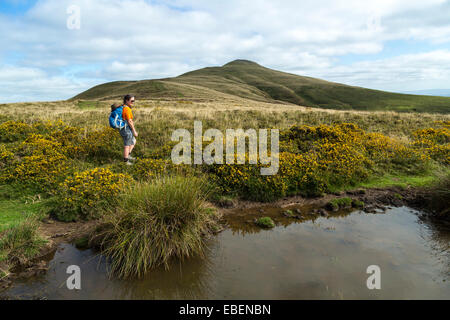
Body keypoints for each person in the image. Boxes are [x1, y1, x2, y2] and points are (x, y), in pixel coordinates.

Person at [119, 95, 138, 164]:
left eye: (134, 101)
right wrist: (134, 131)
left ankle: (128, 155)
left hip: (125, 128)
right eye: (132, 101)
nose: (133, 102)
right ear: (127, 101)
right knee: (127, 145)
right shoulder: (126, 109)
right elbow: (129, 121)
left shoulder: (124, 107)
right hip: (126, 129)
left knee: (133, 141)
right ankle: (125, 161)